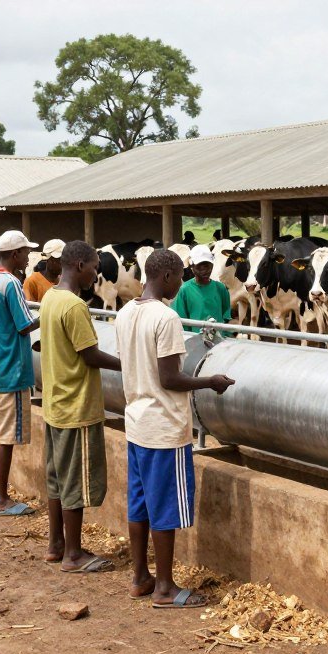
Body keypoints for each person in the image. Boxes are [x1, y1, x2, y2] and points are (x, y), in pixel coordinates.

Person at [115, 249, 235, 608]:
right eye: (179, 276)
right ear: (166, 276)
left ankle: (140, 577)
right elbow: (169, 378)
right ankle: (165, 588)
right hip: (164, 427)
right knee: (165, 508)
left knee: (140, 505)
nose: (181, 283)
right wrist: (210, 381)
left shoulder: (126, 312)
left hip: (137, 422)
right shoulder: (166, 318)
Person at [40, 240, 122, 572]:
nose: (95, 274)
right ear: (79, 266)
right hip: (77, 405)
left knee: (58, 479)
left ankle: (56, 544)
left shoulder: (50, 297)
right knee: (76, 480)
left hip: (55, 403)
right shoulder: (75, 306)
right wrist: (129, 364)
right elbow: (89, 355)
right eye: (93, 268)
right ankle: (73, 555)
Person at [0, 229, 40, 516]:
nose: (28, 257)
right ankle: (2, 500)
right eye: (26, 252)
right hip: (11, 370)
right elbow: (25, 324)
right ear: (15, 254)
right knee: (5, 438)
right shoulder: (12, 283)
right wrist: (49, 312)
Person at [171, 244, 232, 334]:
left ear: (212, 265)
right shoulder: (184, 290)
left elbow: (226, 316)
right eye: (199, 266)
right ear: (192, 266)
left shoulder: (220, 288)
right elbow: (181, 322)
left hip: (218, 338)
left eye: (207, 265)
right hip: (194, 338)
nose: (204, 270)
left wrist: (225, 336)